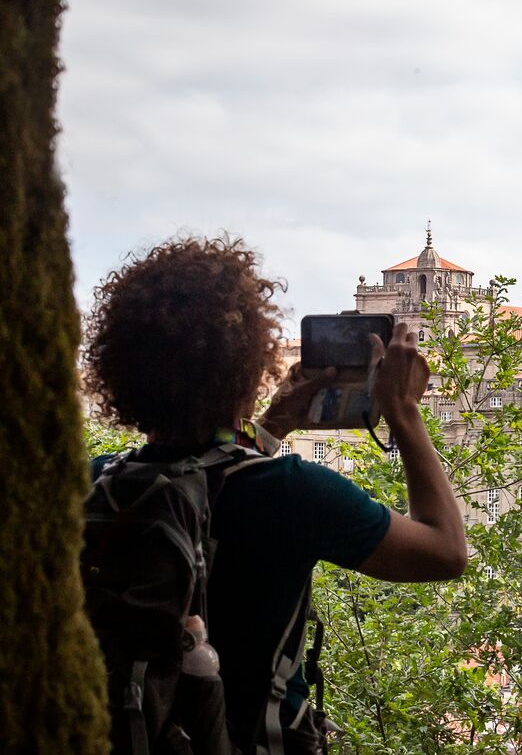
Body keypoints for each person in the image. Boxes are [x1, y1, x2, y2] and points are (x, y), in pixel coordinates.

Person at [83, 236, 468, 753]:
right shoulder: (290, 491)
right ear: (247, 370)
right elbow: (445, 552)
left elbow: (198, 469)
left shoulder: (91, 483)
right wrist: (403, 411)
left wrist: (271, 427)